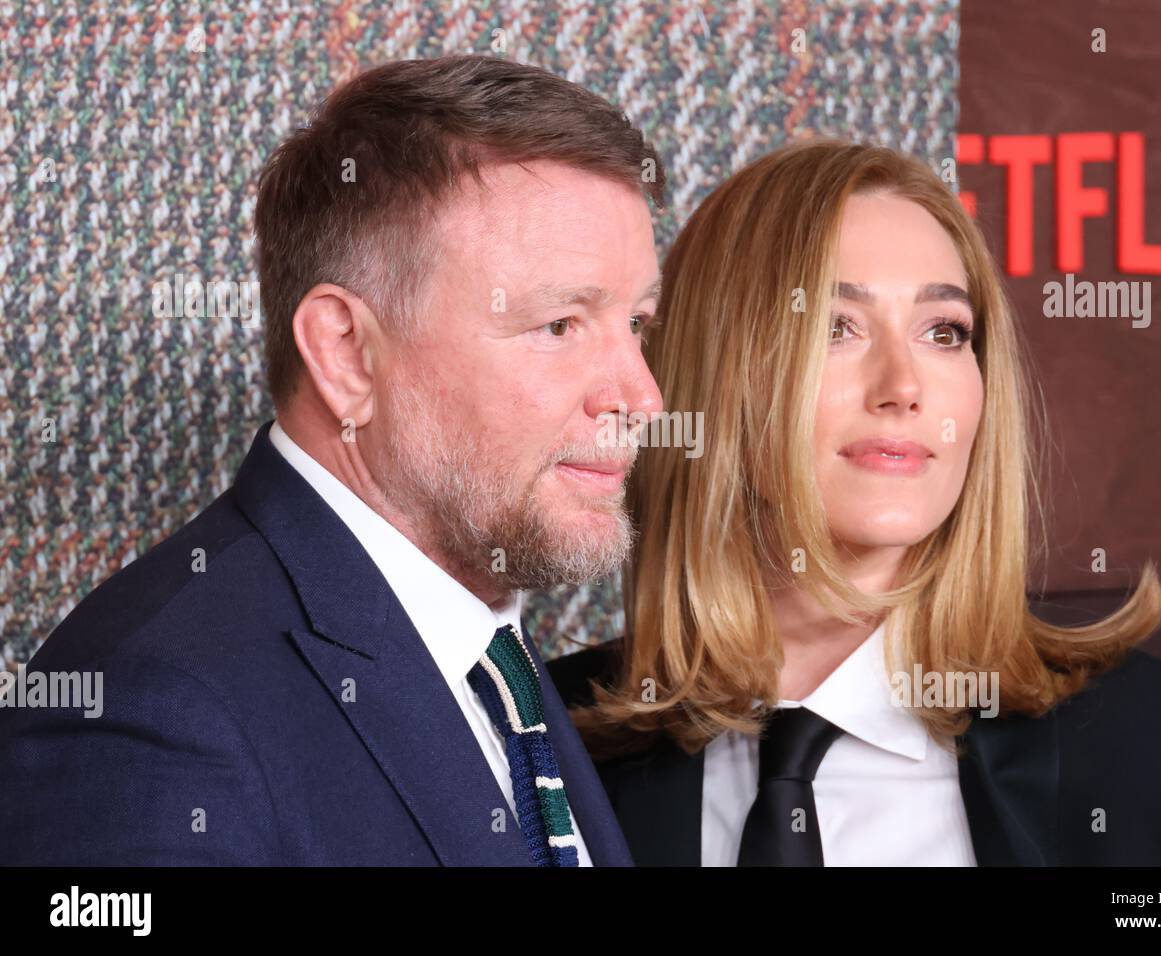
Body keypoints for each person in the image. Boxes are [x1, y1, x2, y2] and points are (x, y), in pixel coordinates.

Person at [548, 139, 1161, 866]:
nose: (904, 387)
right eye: (834, 327)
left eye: (944, 332)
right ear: (712, 366)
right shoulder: (537, 744)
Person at [0, 55, 664, 866]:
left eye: (637, 324)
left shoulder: (502, 665)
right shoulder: (150, 718)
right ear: (347, 352)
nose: (641, 397)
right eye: (559, 324)